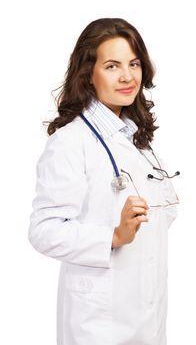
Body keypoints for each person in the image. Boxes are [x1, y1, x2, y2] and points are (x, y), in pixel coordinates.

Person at [28, 17, 179, 345]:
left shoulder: (137, 140)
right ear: (88, 74)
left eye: (134, 63)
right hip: (98, 322)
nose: (128, 77)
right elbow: (44, 230)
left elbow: (161, 215)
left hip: (147, 314)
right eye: (112, 66)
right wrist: (113, 235)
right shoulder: (70, 142)